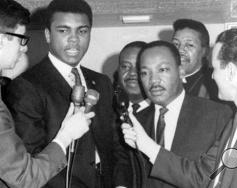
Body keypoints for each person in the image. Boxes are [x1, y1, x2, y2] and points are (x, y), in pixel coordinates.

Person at [5, 0, 129, 187]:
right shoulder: (26, 86)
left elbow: (116, 143)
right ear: (48, 35)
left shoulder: (102, 82)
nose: (74, 39)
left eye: (82, 31)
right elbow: (31, 159)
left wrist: (121, 184)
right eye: (63, 31)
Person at [122, 28, 237, 188]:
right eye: (145, 73)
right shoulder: (235, 122)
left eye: (215, 68)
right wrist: (147, 145)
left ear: (230, 71)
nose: (212, 75)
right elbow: (205, 176)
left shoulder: (223, 117)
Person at [0, 0, 94, 187]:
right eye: (21, 39)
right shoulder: (25, 86)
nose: (24, 47)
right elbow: (23, 177)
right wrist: (66, 135)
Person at [172, 18, 218, 100]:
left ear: (205, 51)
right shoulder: (163, 78)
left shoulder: (214, 84)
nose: (180, 50)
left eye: (189, 45)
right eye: (176, 44)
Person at [115, 41, 150, 113]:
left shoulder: (162, 113)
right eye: (125, 66)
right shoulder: (106, 111)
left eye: (139, 66)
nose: (132, 73)